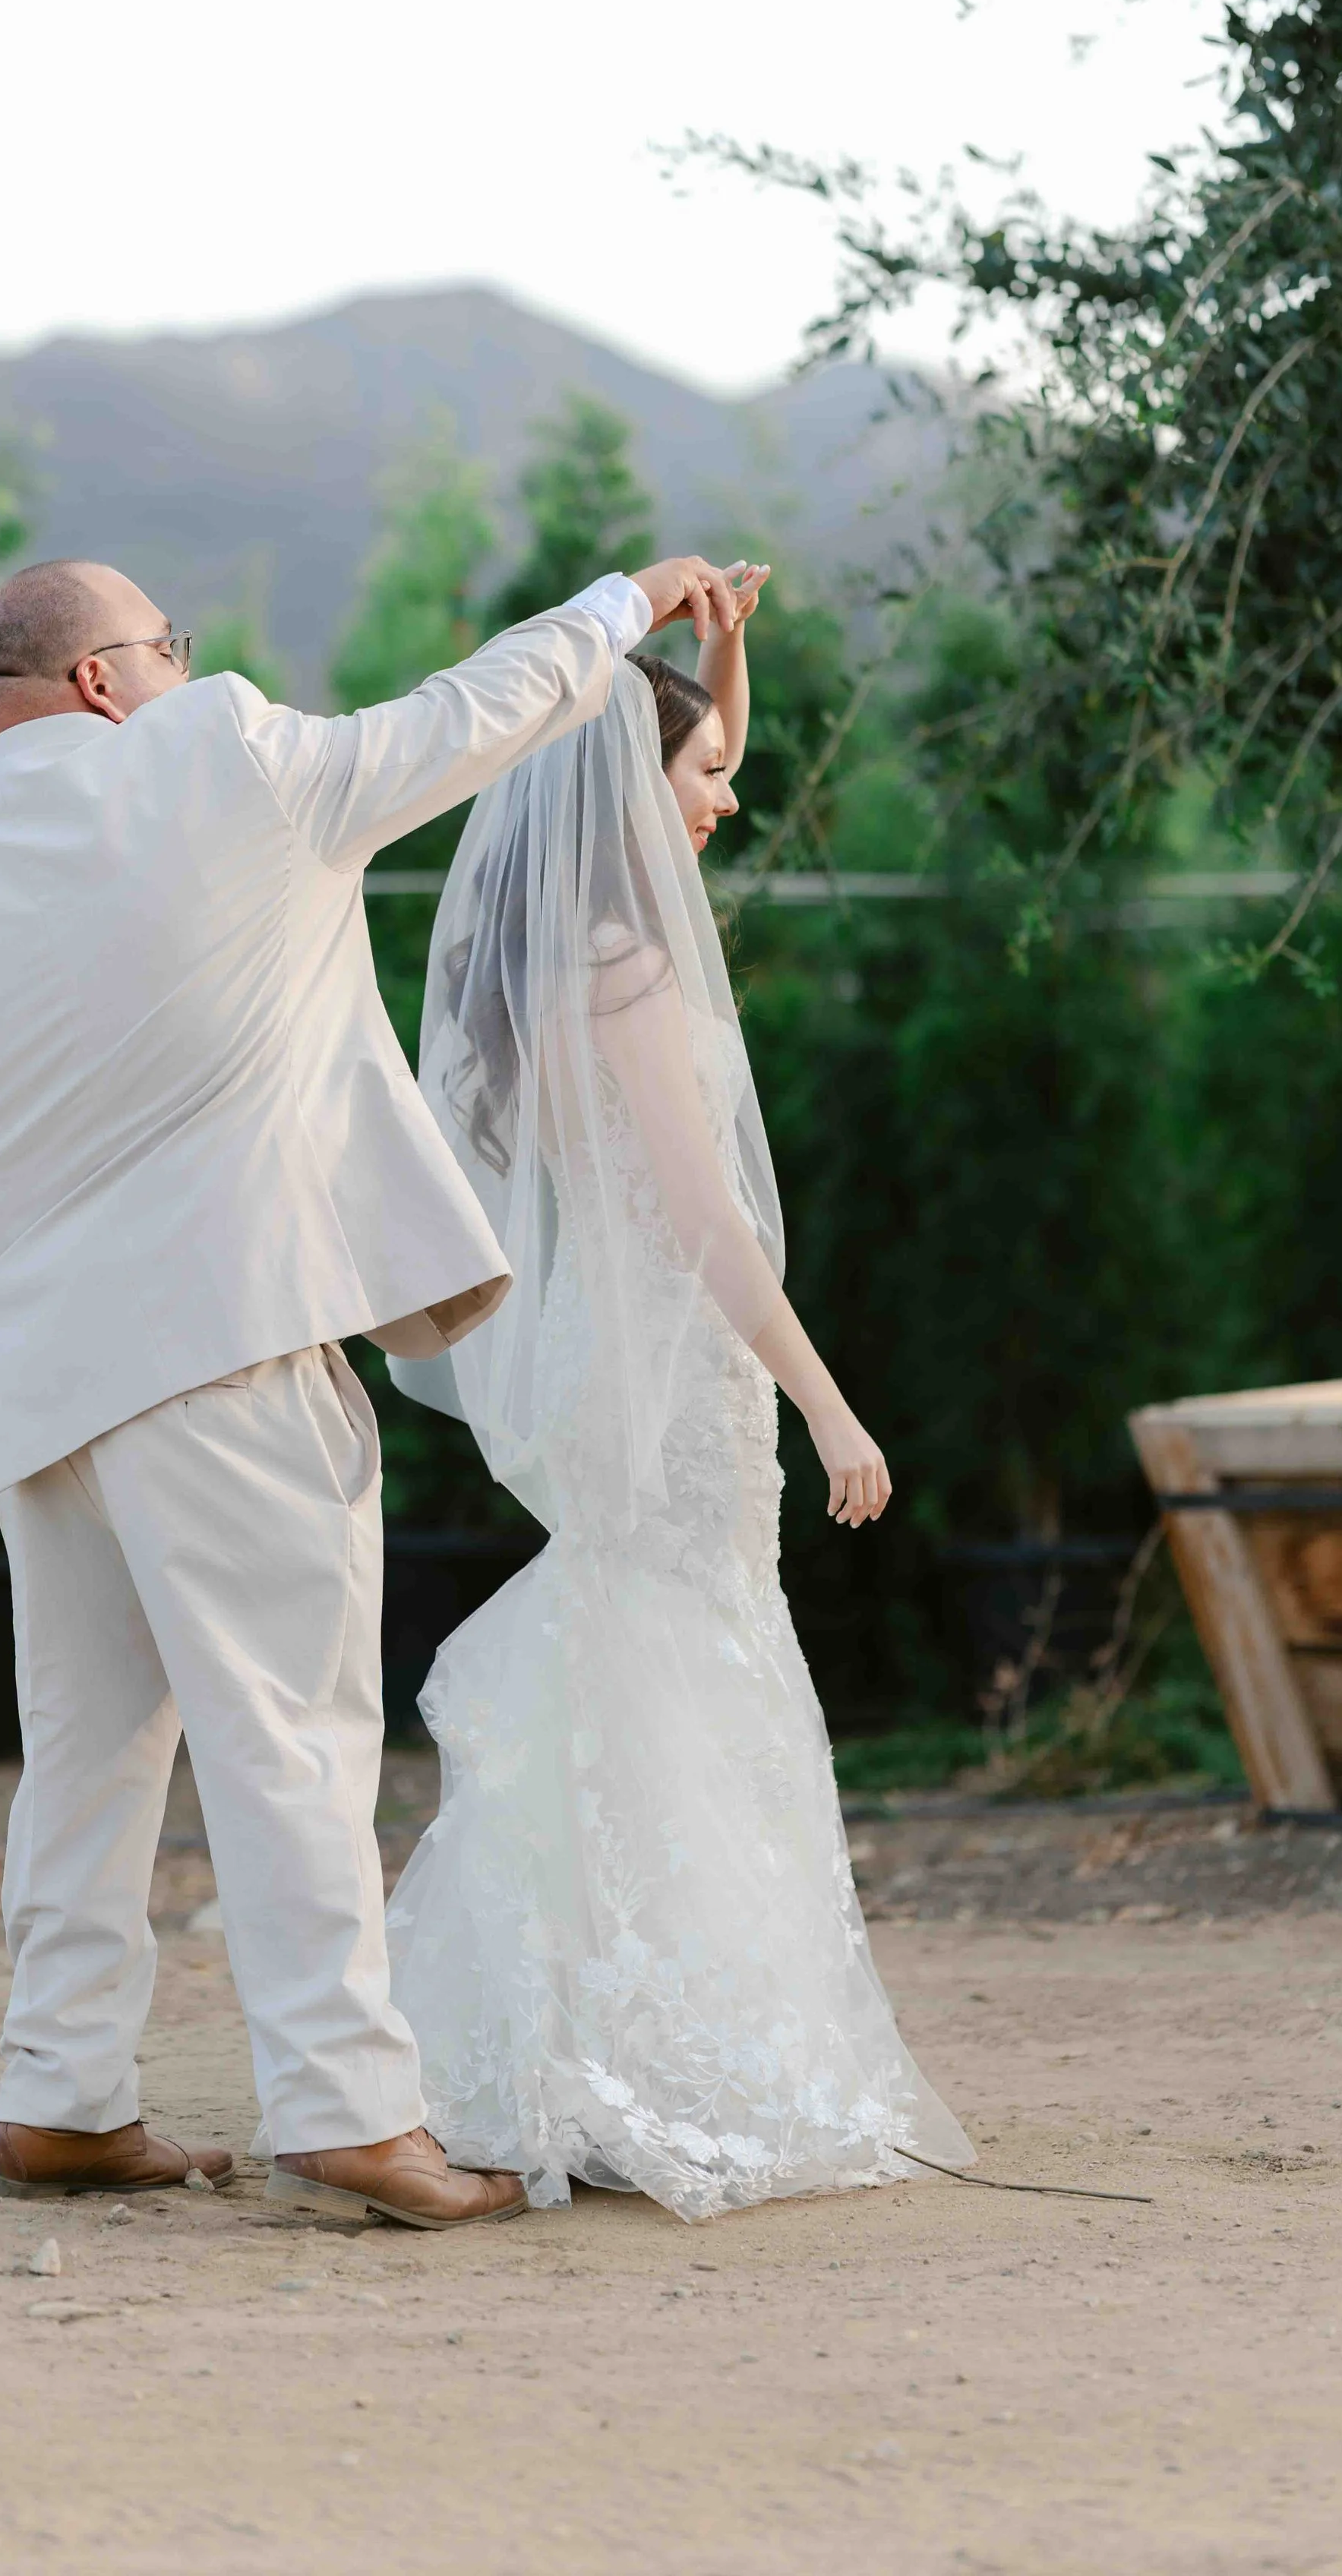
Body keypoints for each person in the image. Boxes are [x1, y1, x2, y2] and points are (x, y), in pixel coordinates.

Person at [0, 545, 747, 2228]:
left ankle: (61, 2094)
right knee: (294, 1730)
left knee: (85, 1753)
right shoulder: (218, 752)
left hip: (38, 1395)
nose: (186, 663)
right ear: (105, 678)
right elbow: (472, 715)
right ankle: (349, 2110)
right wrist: (622, 606)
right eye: (166, 643)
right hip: (231, 1345)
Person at [384, 565, 973, 2220]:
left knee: (649, 1660)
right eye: (704, 779)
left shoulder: (573, 937)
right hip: (670, 1366)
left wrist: (718, 659)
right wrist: (828, 1405)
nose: (727, 792)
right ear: (624, 799)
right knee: (685, 1665)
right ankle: (652, 2053)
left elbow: (679, 745)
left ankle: (577, 2028)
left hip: (618, 1357)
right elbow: (709, 1223)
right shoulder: (626, 961)